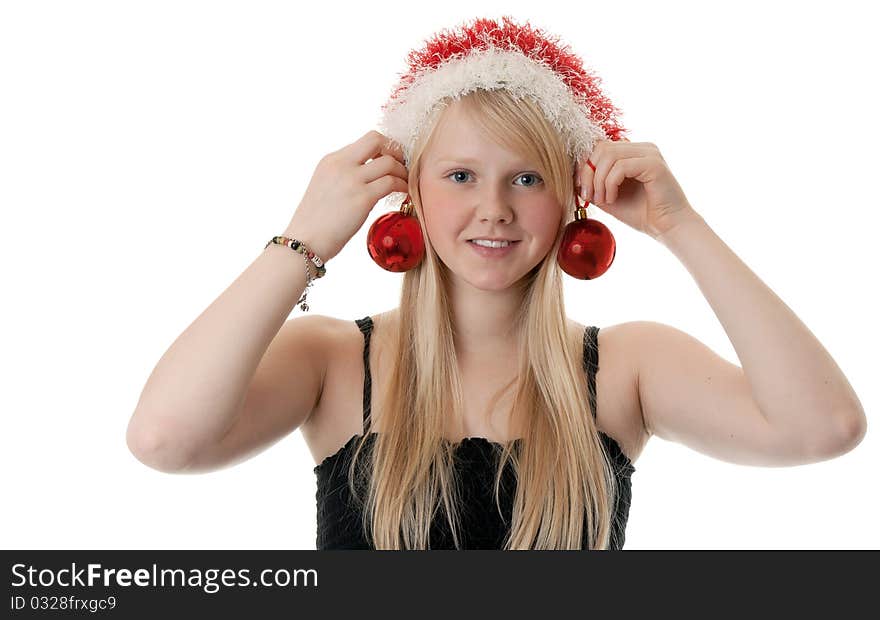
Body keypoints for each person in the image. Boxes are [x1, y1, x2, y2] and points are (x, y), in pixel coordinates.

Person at [126, 16, 866, 550]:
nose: (494, 209)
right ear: (410, 192)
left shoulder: (628, 368)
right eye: (459, 176)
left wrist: (681, 225)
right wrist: (303, 240)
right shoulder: (332, 361)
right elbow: (164, 440)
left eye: (526, 177)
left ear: (573, 196)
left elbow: (822, 429)